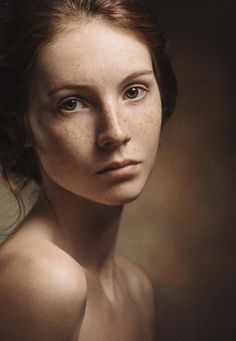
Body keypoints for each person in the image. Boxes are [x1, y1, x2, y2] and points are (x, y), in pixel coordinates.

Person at [0, 0, 177, 340]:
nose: (115, 132)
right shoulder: (41, 280)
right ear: (18, 128)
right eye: (72, 103)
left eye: (134, 91)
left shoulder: (137, 288)